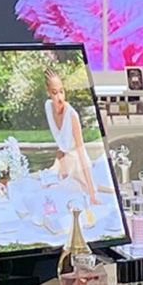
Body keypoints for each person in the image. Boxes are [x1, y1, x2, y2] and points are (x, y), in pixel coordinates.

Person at [44, 66, 99, 206]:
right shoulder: (48, 107)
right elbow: (61, 144)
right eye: (54, 92)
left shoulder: (71, 115)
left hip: (78, 169)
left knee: (70, 199)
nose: (59, 97)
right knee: (45, 194)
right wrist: (61, 164)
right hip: (64, 167)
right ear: (48, 92)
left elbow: (81, 152)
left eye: (62, 91)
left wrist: (92, 194)